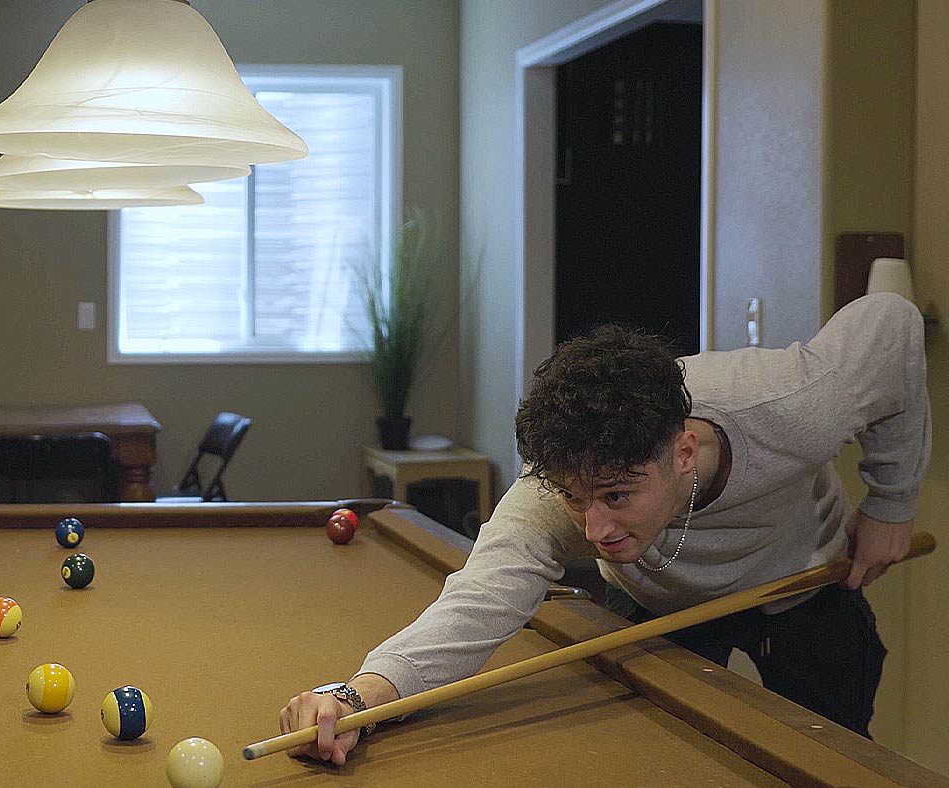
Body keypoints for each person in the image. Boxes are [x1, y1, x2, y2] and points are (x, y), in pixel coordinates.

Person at [282, 292, 928, 762]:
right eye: (572, 496)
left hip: (803, 589)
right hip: (659, 606)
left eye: (617, 495)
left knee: (836, 758)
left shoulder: (793, 404)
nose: (594, 529)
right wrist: (357, 697)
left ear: (682, 455)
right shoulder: (551, 494)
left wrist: (891, 502)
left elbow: (894, 325)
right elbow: (474, 605)